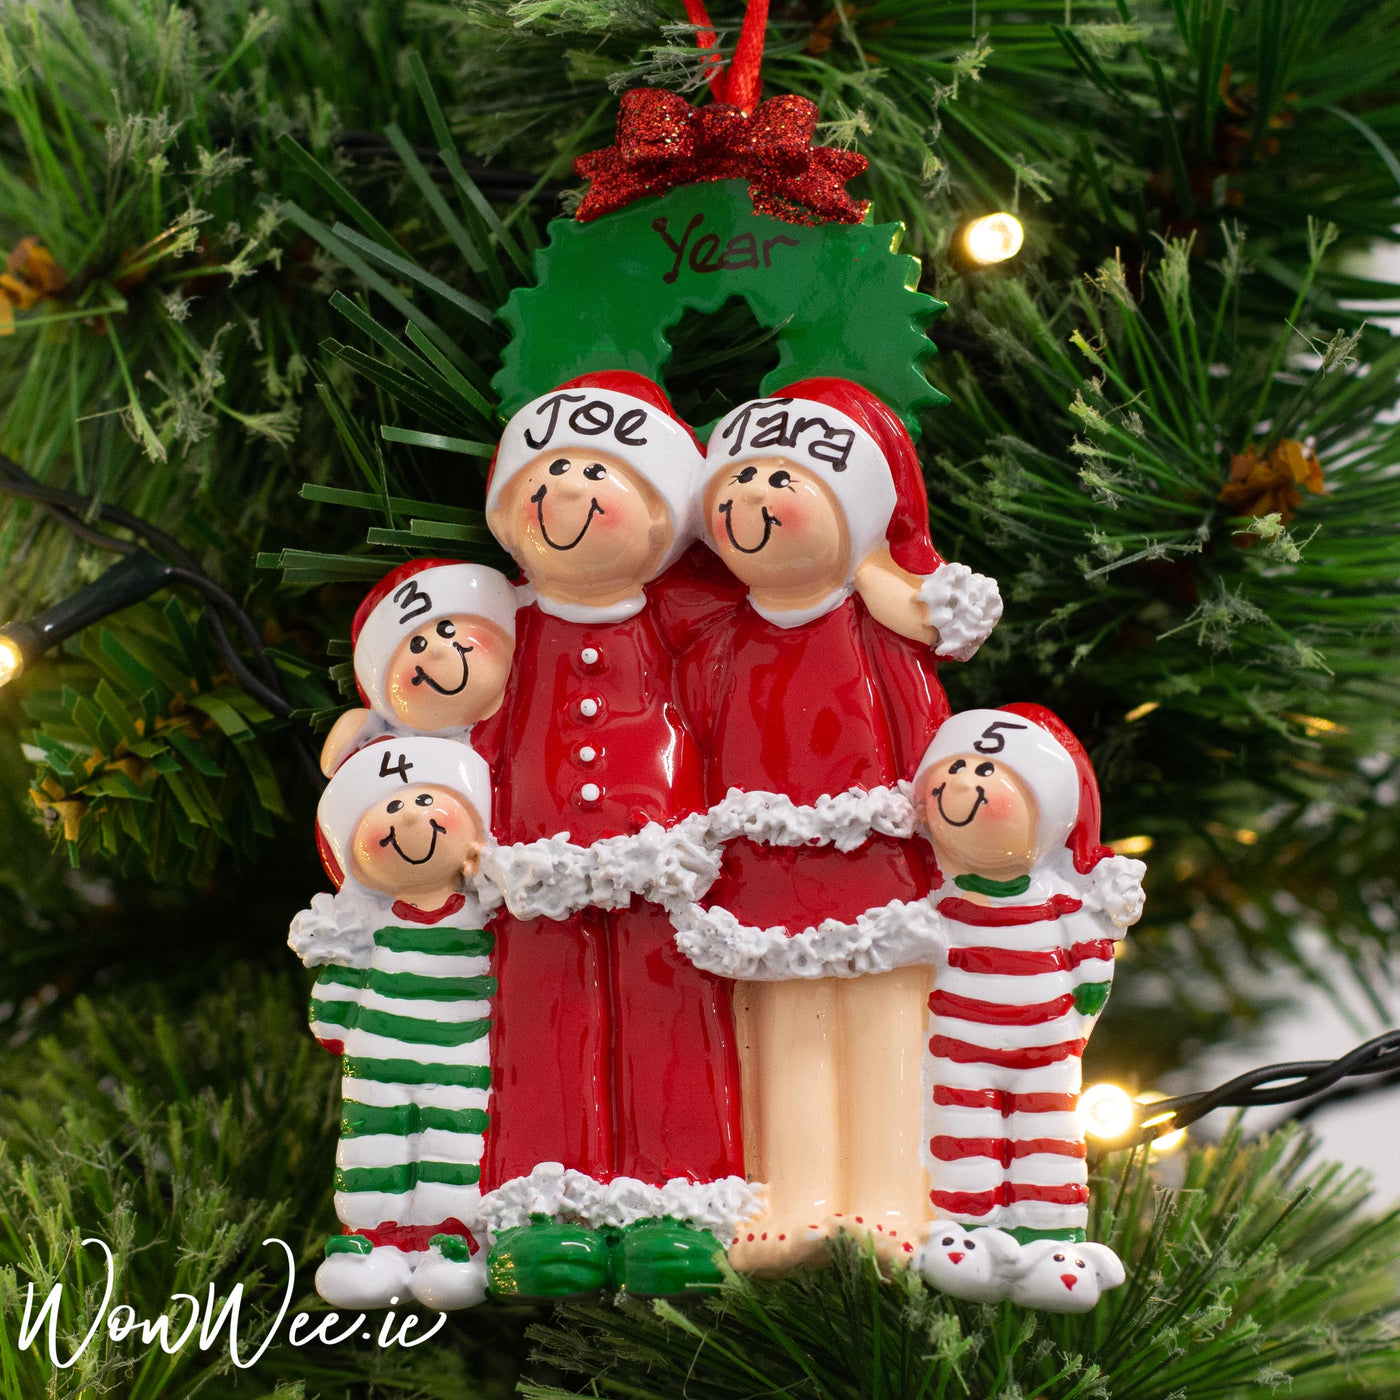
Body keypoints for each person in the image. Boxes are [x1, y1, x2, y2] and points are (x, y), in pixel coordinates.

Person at [676, 378, 1002, 1270]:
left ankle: (892, 1196)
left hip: (876, 866)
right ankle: (792, 1193)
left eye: (781, 481)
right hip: (760, 872)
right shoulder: (719, 644)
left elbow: (924, 744)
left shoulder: (879, 634)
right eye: (736, 482)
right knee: (787, 1030)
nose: (750, 501)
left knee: (883, 1022)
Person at [473, 371, 750, 1298]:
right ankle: (538, 1212)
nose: (564, 492)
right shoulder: (498, 632)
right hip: (530, 877)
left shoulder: (690, 621)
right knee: (539, 1032)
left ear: (663, 515)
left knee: (676, 1024)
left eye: (597, 473)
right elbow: (456, 727)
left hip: (664, 873)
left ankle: (677, 1205)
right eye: (543, 475)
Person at [909, 704, 1143, 1308]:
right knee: (962, 1134)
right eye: (953, 766)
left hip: (1047, 1055)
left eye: (986, 772)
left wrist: (1073, 1027)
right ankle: (964, 1230)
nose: (962, 782)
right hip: (958, 1050)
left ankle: (1052, 1240)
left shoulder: (1061, 902)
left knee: (1050, 1140)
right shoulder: (936, 899)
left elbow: (1092, 970)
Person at [289, 735, 496, 1310]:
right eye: (391, 807)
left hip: (461, 1058)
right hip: (377, 1059)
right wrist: (334, 1017)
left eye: (426, 801)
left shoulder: (487, 915)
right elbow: (340, 993)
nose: (408, 818)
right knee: (373, 1143)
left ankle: (453, 1239)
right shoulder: (368, 926)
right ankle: (371, 1240)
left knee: (455, 1140)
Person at [318, 558, 518, 775]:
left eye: (446, 630)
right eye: (416, 646)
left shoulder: (533, 675)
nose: (436, 649)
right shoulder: (416, 751)